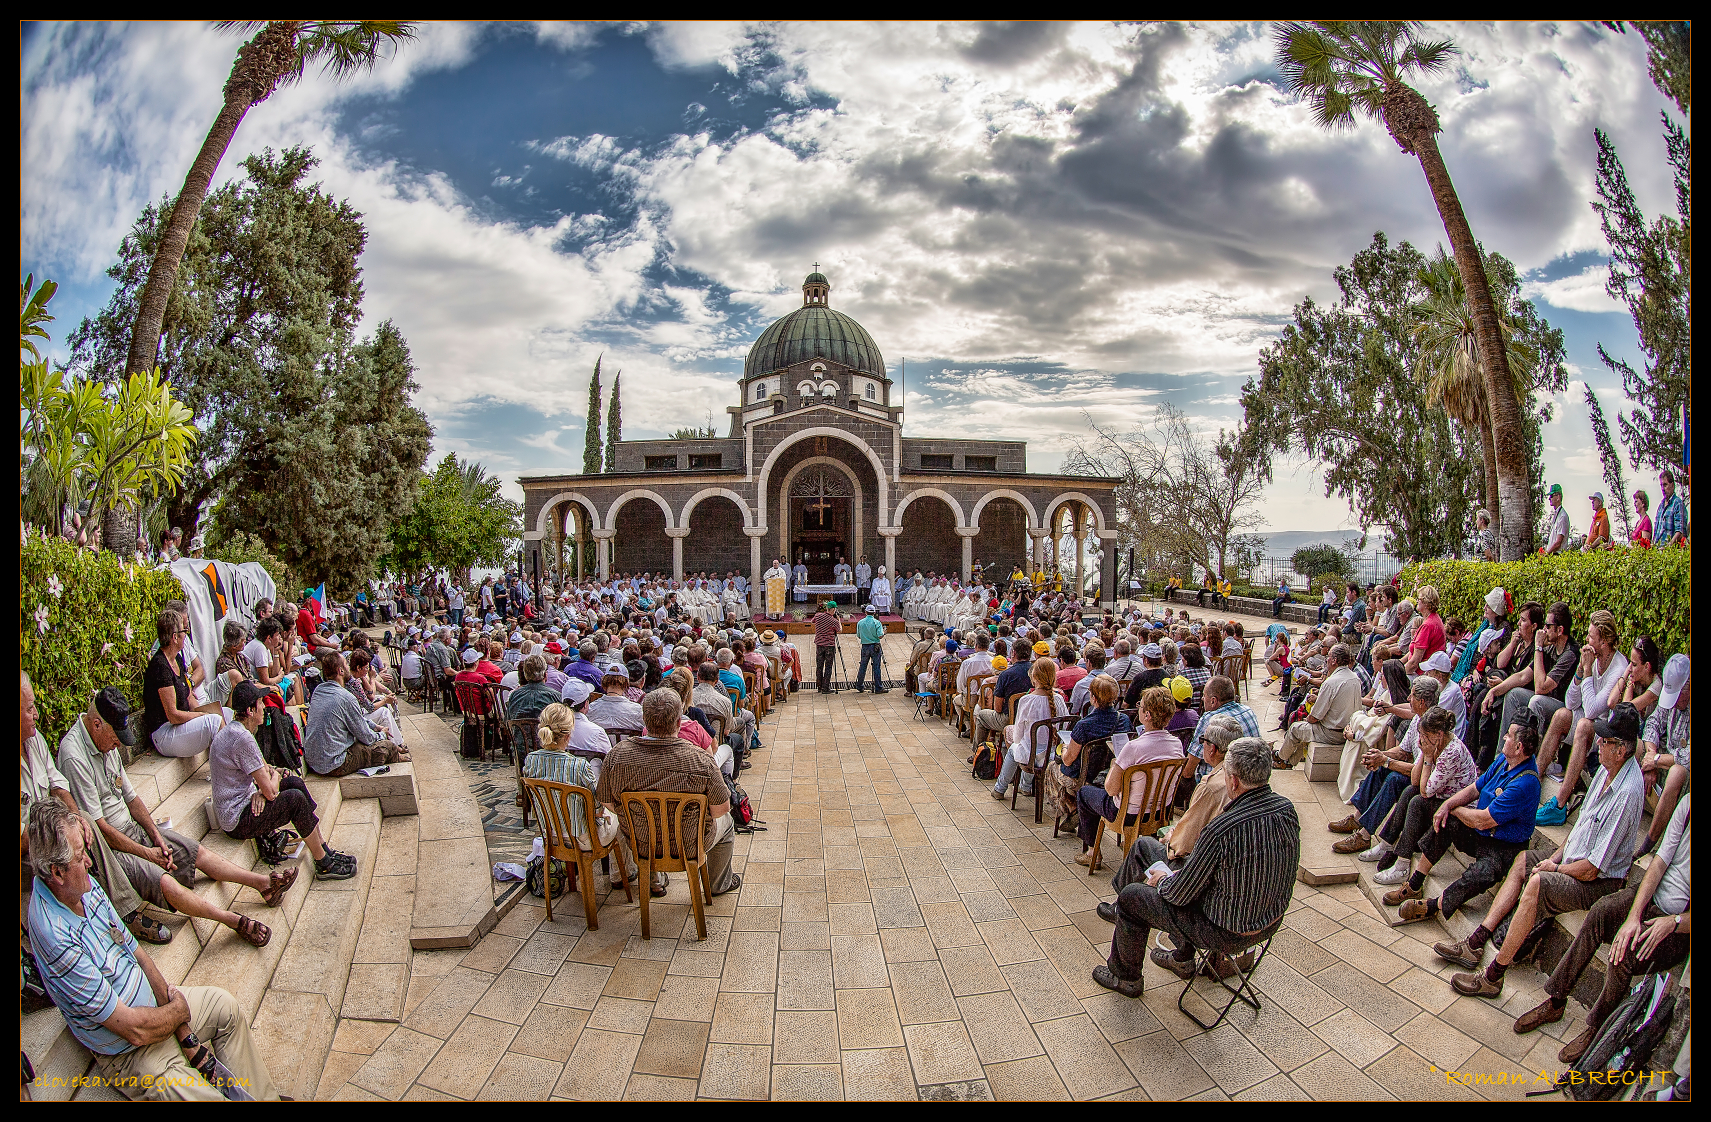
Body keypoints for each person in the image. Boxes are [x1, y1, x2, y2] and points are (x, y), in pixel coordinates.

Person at [25, 798, 282, 1100]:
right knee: (191, 1090)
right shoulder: (54, 934)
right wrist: (175, 1015)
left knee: (226, 1008)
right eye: (82, 856)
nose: (90, 863)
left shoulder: (82, 886)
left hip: (159, 1011)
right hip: (130, 1052)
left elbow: (139, 956)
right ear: (56, 872)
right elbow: (134, 1030)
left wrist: (183, 1031)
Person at [1437, 702, 1647, 998]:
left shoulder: (1626, 792)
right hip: (1575, 861)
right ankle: (1477, 940)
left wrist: (1555, 868)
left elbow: (1592, 869)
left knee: (1537, 883)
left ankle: (1494, 975)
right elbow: (1580, 831)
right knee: (1523, 861)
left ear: (1622, 750)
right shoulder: (1606, 770)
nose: (1598, 743)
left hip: (1598, 881)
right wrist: (1554, 857)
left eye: (1606, 740)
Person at [1091, 737, 1298, 997]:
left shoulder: (1222, 829)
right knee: (1148, 850)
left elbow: (1180, 894)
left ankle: (1125, 976)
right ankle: (1175, 954)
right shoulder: (1286, 810)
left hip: (1226, 929)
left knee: (1133, 896)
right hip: (1269, 921)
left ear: (1233, 781)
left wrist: (1162, 880)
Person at [1511, 792, 1690, 1064]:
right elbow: (1660, 861)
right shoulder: (1687, 804)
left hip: (1679, 926)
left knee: (1623, 956)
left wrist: (1673, 922)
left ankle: (1596, 1028)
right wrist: (1634, 917)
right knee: (1600, 913)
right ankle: (1556, 1001)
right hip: (1652, 900)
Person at [1387, 719, 1542, 925]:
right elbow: (1475, 788)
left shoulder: (1525, 783)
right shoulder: (1504, 760)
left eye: (1509, 735)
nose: (1504, 737)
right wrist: (1448, 805)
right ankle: (1415, 883)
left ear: (1518, 747)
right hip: (1482, 833)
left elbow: (1482, 820)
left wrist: (1454, 809)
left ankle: (1432, 906)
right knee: (1444, 818)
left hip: (1504, 847)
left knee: (1482, 873)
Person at [597, 688, 742, 898]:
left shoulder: (617, 756)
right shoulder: (701, 760)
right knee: (727, 822)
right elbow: (721, 809)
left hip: (641, 843)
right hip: (690, 844)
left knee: (633, 819)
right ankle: (718, 884)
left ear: (645, 721)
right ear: (677, 723)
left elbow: (608, 803)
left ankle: (644, 875)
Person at [211, 681, 355, 881]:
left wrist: (265, 784)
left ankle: (323, 848)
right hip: (237, 820)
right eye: (261, 703)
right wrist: (271, 781)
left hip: (243, 803)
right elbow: (271, 789)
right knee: (294, 799)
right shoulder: (242, 738)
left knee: (295, 783)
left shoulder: (237, 731)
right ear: (251, 710)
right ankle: (324, 863)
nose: (264, 707)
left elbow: (265, 768)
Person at [524, 703, 640, 893]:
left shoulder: (531, 760)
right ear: (569, 734)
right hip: (582, 838)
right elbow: (598, 810)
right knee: (620, 816)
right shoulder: (579, 767)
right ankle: (620, 876)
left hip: (550, 834)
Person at [1075, 686, 1184, 866]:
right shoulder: (1176, 745)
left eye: (1140, 705)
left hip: (1128, 813)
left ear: (1147, 715)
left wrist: (1114, 765)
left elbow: (1111, 790)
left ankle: (1092, 852)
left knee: (1085, 793)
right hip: (1159, 812)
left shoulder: (1133, 748)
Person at [303, 651, 410, 777]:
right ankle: (395, 754)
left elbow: (356, 719)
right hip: (333, 764)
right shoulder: (346, 697)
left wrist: (375, 727)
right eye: (346, 665)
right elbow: (366, 737)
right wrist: (381, 734)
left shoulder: (318, 691)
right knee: (386, 746)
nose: (349, 667)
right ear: (340, 671)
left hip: (314, 761)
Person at [143, 609, 229, 758]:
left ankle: (231, 763)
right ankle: (229, 771)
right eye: (184, 630)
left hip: (178, 726)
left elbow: (189, 697)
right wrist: (202, 716)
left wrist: (204, 711)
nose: (186, 634)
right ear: (175, 637)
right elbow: (173, 716)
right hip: (164, 733)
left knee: (226, 713)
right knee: (214, 722)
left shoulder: (176, 659)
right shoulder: (160, 666)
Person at [992, 657, 1069, 802]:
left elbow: (1018, 735)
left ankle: (1000, 788)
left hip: (1031, 754)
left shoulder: (1027, 700)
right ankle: (1025, 786)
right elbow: (1064, 727)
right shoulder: (1058, 699)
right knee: (1026, 746)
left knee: (1015, 748)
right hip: (1052, 754)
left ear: (1034, 676)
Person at [1637, 653, 1689, 856]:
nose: (1674, 702)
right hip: (1663, 763)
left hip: (1684, 775)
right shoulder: (1671, 699)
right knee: (1635, 746)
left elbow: (1687, 756)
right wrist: (1651, 754)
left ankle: (1650, 842)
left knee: (1677, 771)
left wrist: (1656, 761)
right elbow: (1653, 722)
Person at [1278, 644, 1359, 768]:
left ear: (1334, 660)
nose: (1326, 659)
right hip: (1347, 729)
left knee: (1296, 728)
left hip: (1331, 733)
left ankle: (1281, 758)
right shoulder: (1355, 678)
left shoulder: (1331, 682)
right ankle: (1289, 762)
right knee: (1304, 730)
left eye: (1328, 657)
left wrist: (1308, 719)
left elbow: (1314, 717)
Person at [506, 654, 561, 721]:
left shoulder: (515, 695)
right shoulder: (556, 697)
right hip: (544, 731)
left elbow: (507, 722)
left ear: (526, 676)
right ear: (545, 675)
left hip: (519, 731)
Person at [854, 604, 888, 692]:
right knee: (876, 667)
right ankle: (878, 687)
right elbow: (880, 636)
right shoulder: (877, 622)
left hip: (865, 646)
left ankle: (859, 685)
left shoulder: (860, 622)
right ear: (874, 612)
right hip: (875, 646)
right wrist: (884, 632)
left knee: (863, 666)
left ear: (865, 612)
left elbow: (859, 635)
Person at [812, 601, 840, 692]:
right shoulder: (834, 621)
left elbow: (812, 621)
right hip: (829, 645)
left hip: (819, 644)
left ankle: (819, 686)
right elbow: (839, 630)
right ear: (833, 609)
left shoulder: (818, 616)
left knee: (819, 665)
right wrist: (838, 619)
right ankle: (825, 687)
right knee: (828, 666)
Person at [1654, 468, 1687, 546]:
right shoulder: (1661, 505)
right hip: (1658, 549)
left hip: (1670, 552)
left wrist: (1669, 546)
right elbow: (1656, 530)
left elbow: (1680, 531)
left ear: (1672, 485)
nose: (1662, 488)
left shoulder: (1677, 504)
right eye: (1661, 485)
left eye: (1665, 485)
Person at [1541, 483, 1570, 554]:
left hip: (1557, 554)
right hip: (1553, 553)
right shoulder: (1557, 514)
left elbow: (1558, 543)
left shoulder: (1562, 516)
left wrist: (1547, 553)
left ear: (1558, 497)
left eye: (1551, 496)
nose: (1549, 499)